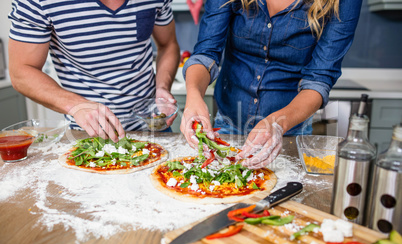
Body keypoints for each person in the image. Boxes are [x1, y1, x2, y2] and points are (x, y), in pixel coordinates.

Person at [181, 0, 362, 168]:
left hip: (288, 131)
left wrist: (277, 124)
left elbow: (319, 79)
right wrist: (194, 95)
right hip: (227, 125)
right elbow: (206, 53)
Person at [8, 0, 180, 142]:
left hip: (154, 129)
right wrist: (76, 105)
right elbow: (21, 72)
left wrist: (162, 88)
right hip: (89, 135)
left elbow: (168, 44)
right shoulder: (37, 2)